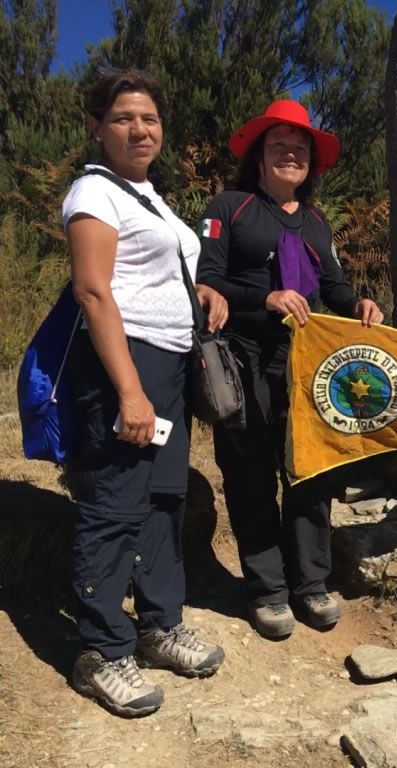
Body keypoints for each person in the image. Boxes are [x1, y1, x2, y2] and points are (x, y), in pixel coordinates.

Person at [63, 68, 226, 717]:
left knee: (163, 499)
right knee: (112, 502)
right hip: (119, 365)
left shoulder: (150, 198)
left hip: (169, 364)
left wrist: (201, 292)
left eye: (150, 119)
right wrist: (129, 390)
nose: (140, 128)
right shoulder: (93, 192)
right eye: (125, 117)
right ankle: (101, 650)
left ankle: (158, 625)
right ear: (100, 127)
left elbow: (155, 271)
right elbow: (95, 291)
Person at [195, 100, 384, 640]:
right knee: (250, 474)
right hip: (241, 360)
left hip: (307, 365)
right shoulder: (228, 207)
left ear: (310, 163)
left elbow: (335, 285)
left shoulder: (317, 221)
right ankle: (268, 589)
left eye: (300, 149)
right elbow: (206, 279)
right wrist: (266, 296)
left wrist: (358, 307)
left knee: (311, 470)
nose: (291, 154)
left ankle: (311, 583)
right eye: (279, 145)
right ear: (259, 155)